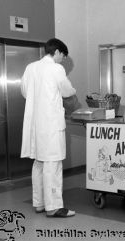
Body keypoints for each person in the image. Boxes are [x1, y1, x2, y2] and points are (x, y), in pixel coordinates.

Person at [21, 38, 77, 218]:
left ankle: (39, 203)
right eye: (63, 56)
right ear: (58, 52)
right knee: (52, 164)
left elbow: (24, 91)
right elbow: (67, 91)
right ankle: (53, 207)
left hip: (36, 126)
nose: (63, 60)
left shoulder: (31, 67)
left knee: (39, 163)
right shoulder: (56, 68)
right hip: (51, 125)